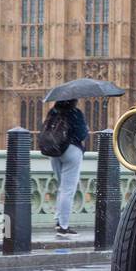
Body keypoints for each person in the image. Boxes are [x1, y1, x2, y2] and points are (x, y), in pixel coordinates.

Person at [44, 99, 87, 236]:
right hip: (71, 150)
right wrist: (85, 129)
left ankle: (58, 220)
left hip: (54, 150)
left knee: (61, 187)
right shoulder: (75, 113)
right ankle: (63, 227)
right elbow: (81, 134)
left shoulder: (53, 111)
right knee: (67, 190)